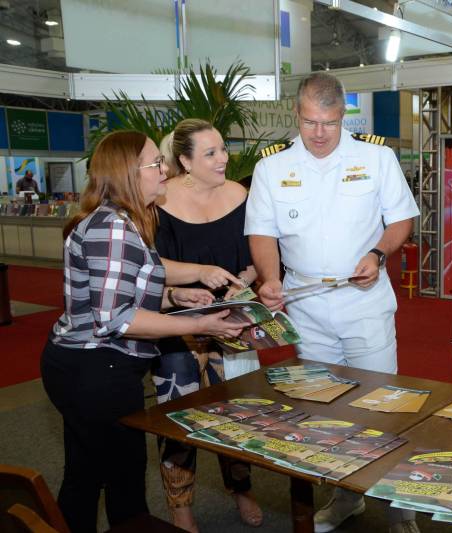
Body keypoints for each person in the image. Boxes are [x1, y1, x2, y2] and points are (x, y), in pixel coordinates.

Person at [40, 130, 244, 533]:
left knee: (90, 471)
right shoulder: (114, 227)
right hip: (96, 368)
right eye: (155, 163)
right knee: (119, 477)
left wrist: (175, 297)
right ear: (129, 174)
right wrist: (200, 324)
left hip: (88, 365)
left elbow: (126, 294)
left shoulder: (121, 221)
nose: (163, 170)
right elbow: (116, 318)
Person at [245, 72, 419, 533]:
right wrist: (268, 278)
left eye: (329, 123)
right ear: (296, 115)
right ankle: (345, 498)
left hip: (363, 298)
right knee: (325, 410)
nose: (318, 133)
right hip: (305, 303)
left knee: (382, 404)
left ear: (344, 115)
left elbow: (401, 219)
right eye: (308, 122)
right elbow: (262, 231)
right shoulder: (271, 167)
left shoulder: (376, 157)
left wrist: (379, 253)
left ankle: (399, 506)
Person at [151, 119, 263, 532]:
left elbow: (262, 256)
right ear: (184, 161)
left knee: (238, 413)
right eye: (211, 153)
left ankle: (242, 488)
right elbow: (149, 270)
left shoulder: (241, 196)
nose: (224, 159)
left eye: (223, 149)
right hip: (178, 328)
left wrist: (244, 282)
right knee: (180, 417)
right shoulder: (158, 204)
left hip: (232, 324)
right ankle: (180, 505)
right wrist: (188, 287)